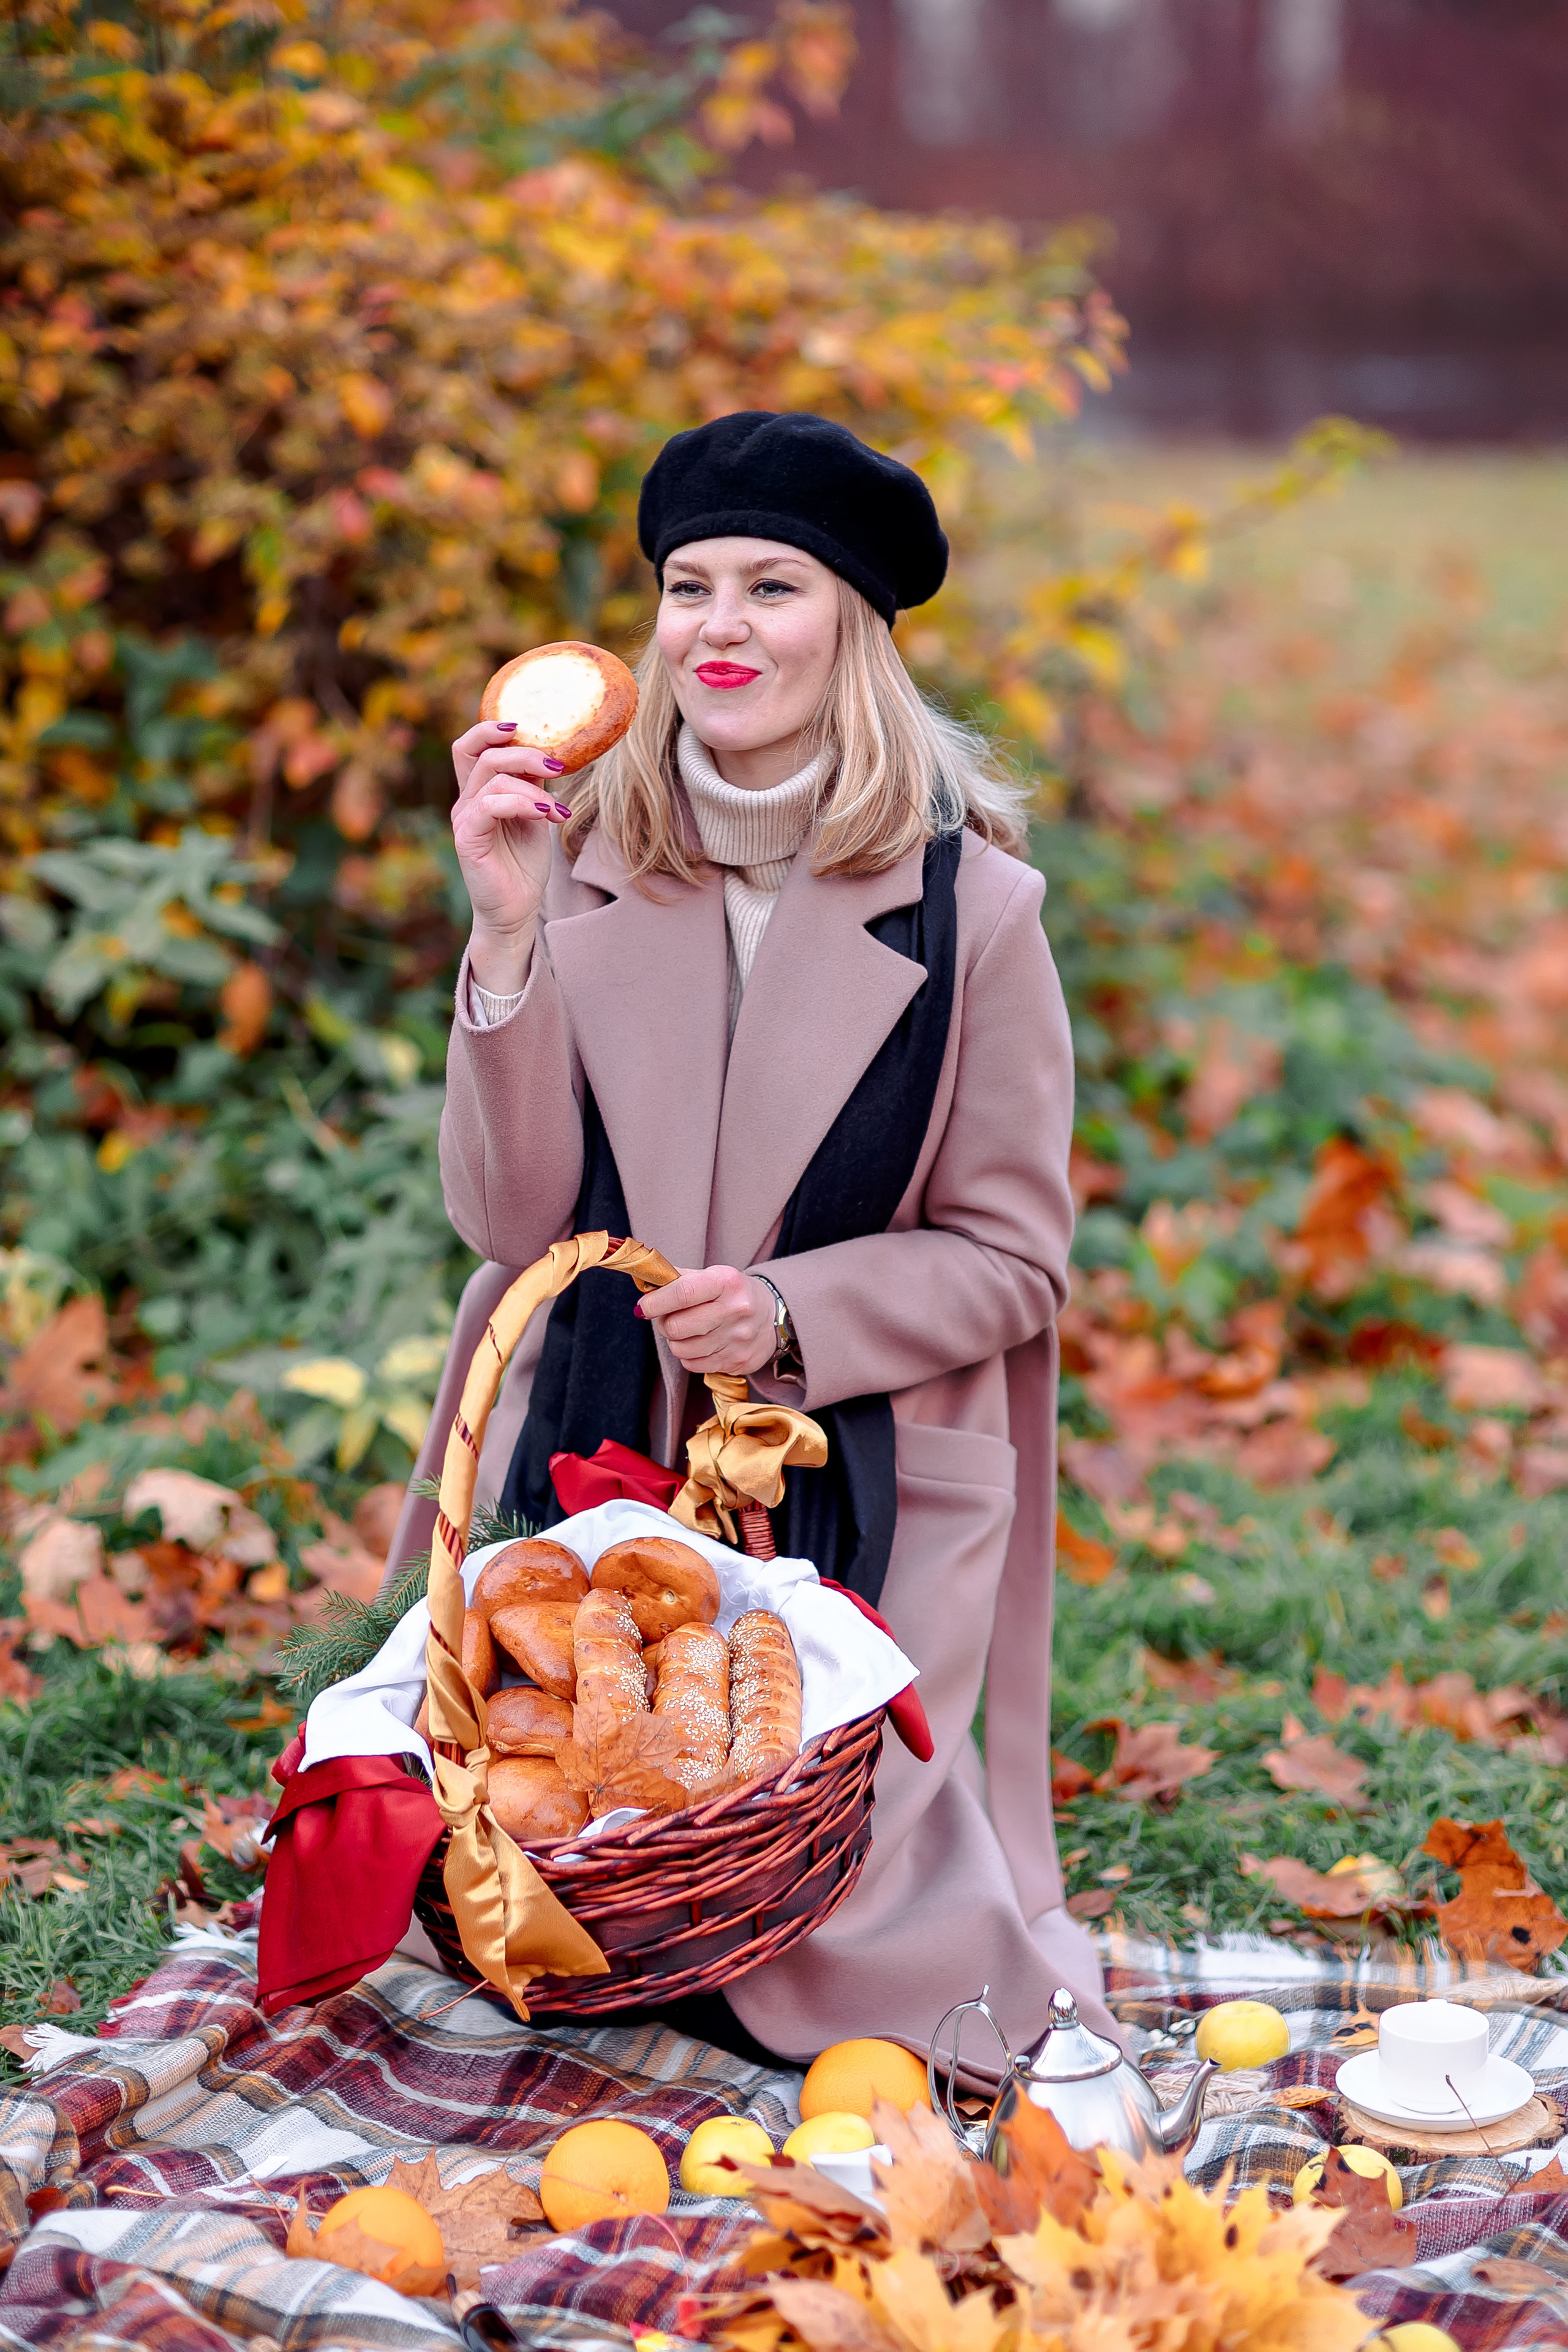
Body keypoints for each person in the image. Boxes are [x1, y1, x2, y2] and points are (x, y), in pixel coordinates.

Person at [392, 409, 1115, 2062]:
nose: (720, 628)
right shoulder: (575, 869)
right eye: (687, 587)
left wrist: (791, 1312)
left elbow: (1016, 1259)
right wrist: (503, 935)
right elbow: (508, 1223)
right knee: (568, 1862)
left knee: (830, 1926)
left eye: (772, 588)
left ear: (851, 628)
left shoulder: (974, 915)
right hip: (593, 1458)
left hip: (847, 1466)